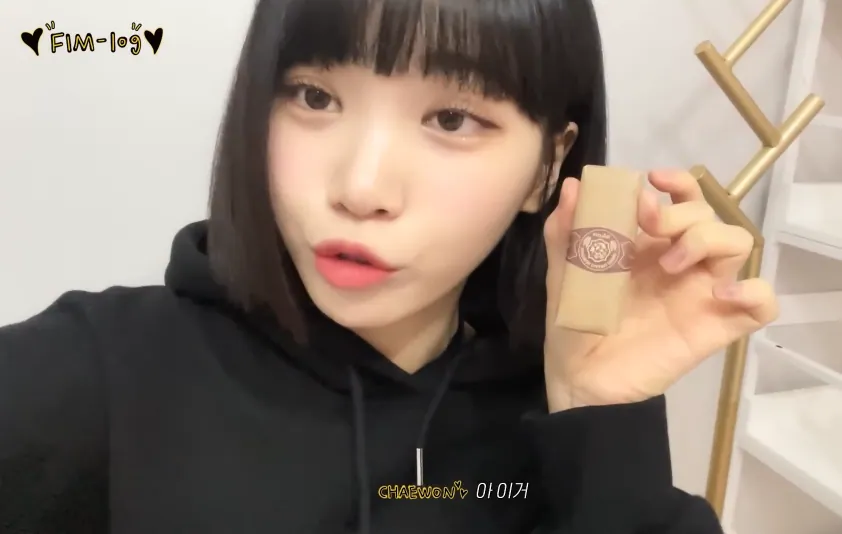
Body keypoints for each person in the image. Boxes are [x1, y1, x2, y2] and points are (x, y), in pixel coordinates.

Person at [0, 0, 778, 532]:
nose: (361, 188)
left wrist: (598, 414)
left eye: (452, 118)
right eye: (314, 97)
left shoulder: (569, 438)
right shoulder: (100, 373)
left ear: (549, 166)